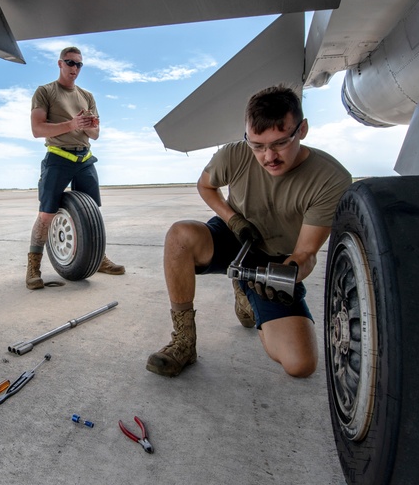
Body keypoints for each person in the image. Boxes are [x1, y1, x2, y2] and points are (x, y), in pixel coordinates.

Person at [146, 84, 351, 379]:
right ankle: (183, 342)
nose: (269, 157)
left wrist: (285, 274)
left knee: (301, 365)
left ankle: (247, 294)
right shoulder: (234, 154)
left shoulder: (331, 179)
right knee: (179, 236)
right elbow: (206, 185)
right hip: (236, 236)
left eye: (280, 143)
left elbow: (306, 253)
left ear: (302, 129)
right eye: (257, 146)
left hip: (277, 261)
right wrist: (233, 220)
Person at [25, 46, 125, 289]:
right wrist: (72, 124)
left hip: (84, 159)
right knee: (47, 214)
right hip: (58, 157)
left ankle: (98, 259)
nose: (75, 68)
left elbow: (95, 133)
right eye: (70, 63)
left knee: (92, 213)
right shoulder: (45, 91)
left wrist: (87, 126)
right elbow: (37, 129)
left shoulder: (87, 96)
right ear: (60, 64)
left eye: (79, 64)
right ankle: (33, 267)